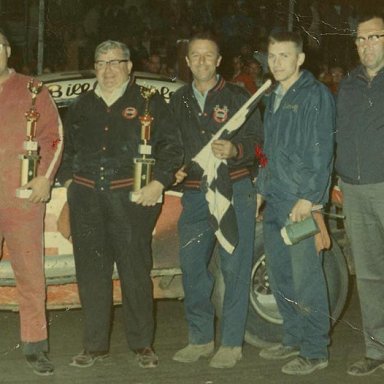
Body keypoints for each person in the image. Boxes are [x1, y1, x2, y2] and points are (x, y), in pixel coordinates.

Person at [57, 40, 183, 369]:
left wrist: (158, 182)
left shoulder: (150, 102)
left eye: (115, 62)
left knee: (135, 273)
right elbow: (66, 150)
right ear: (94, 68)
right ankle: (94, 346)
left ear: (129, 66)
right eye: (101, 63)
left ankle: (142, 345)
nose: (108, 69)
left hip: (131, 202)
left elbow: (171, 147)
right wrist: (70, 183)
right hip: (87, 201)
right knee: (91, 274)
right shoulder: (82, 104)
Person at [170, 32, 263, 369]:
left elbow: (258, 144)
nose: (202, 61)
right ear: (187, 60)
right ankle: (199, 338)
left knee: (234, 269)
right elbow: (172, 146)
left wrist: (235, 150)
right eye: (195, 55)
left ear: (219, 60)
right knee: (192, 267)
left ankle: (231, 344)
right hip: (195, 195)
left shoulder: (239, 96)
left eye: (208, 55)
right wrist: (176, 169)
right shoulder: (178, 100)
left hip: (233, 190)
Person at [256, 31, 335, 375]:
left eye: (284, 56)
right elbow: (267, 153)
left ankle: (316, 350)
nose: (276, 63)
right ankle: (292, 338)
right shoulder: (273, 95)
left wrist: (310, 198)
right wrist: (261, 189)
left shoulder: (315, 95)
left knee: (306, 278)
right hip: (275, 199)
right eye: (272, 56)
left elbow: (322, 150)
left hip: (300, 203)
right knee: (280, 274)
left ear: (300, 59)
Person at [0, 30, 63, 376]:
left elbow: (54, 136)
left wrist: (44, 177)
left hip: (21, 199)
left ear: (9, 50)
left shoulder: (32, 88)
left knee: (29, 275)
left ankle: (35, 347)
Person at [335, 10, 384, 376]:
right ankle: (377, 348)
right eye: (361, 39)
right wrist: (338, 178)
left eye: (375, 37)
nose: (367, 44)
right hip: (354, 188)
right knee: (368, 274)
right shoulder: (348, 84)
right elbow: (341, 134)